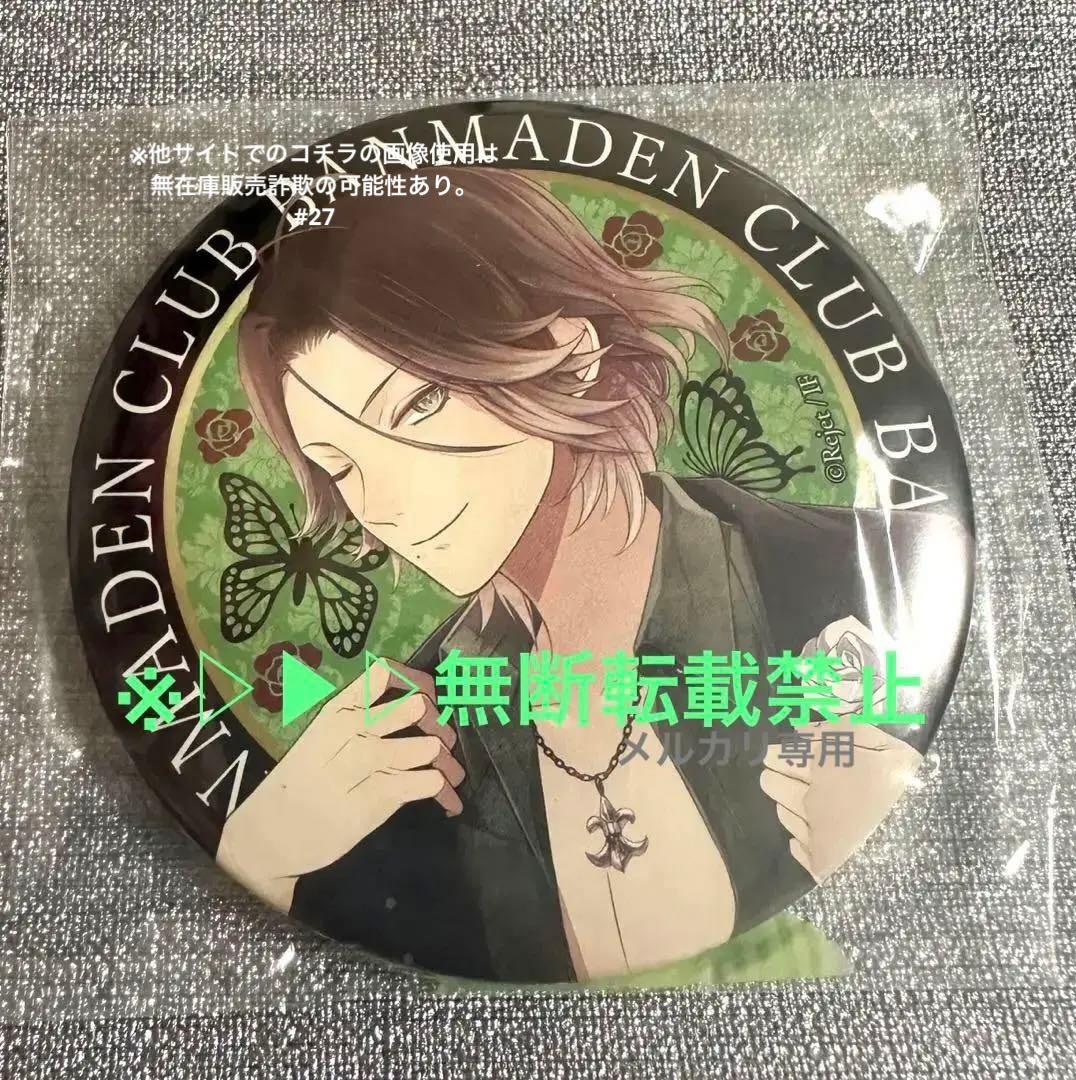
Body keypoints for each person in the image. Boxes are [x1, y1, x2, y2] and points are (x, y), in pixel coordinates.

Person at [215, 167, 966, 981]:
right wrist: (264, 846)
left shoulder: (880, 569)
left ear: (569, 355)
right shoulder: (402, 739)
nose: (382, 504)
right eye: (340, 467)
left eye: (417, 407)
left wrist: (910, 837)